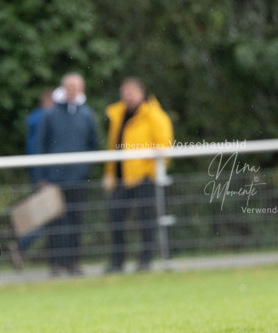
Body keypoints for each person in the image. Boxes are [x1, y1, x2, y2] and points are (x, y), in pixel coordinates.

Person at [102, 77, 174, 273]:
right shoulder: (118, 115)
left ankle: (145, 260)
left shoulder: (154, 116)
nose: (127, 95)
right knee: (115, 218)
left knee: (146, 220)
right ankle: (118, 261)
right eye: (125, 91)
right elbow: (113, 147)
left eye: (131, 91)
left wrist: (150, 173)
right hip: (120, 179)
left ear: (142, 93)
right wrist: (109, 173)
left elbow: (164, 147)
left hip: (144, 178)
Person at [34, 73, 98, 276]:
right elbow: (40, 145)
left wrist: (84, 170)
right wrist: (42, 175)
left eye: (75, 86)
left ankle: (73, 262)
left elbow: (93, 145)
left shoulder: (87, 115)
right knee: (55, 222)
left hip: (78, 178)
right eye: (69, 86)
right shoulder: (51, 114)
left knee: (76, 221)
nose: (72, 90)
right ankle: (55, 263)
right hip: (54, 178)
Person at [9, 87, 56, 269]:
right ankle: (22, 245)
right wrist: (41, 175)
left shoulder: (34, 118)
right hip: (43, 175)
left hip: (38, 173)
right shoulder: (44, 118)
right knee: (48, 217)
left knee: (47, 217)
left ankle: (31, 249)